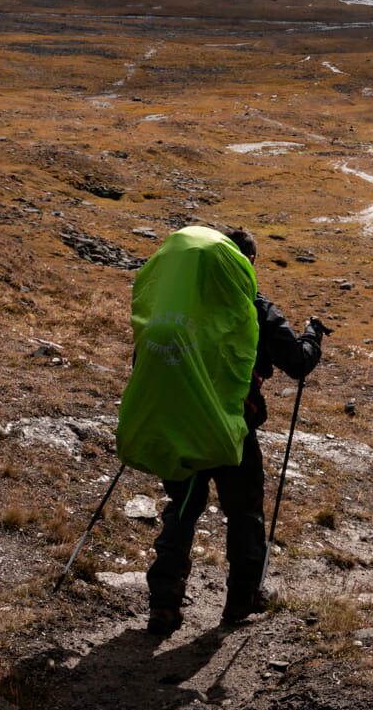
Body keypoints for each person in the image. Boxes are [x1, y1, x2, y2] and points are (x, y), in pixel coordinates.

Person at [130, 225, 323, 637]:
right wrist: (312, 334)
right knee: (244, 513)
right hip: (231, 431)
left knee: (181, 511)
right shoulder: (253, 306)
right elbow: (299, 363)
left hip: (180, 423)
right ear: (247, 263)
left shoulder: (178, 305)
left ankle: (163, 603)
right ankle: (242, 598)